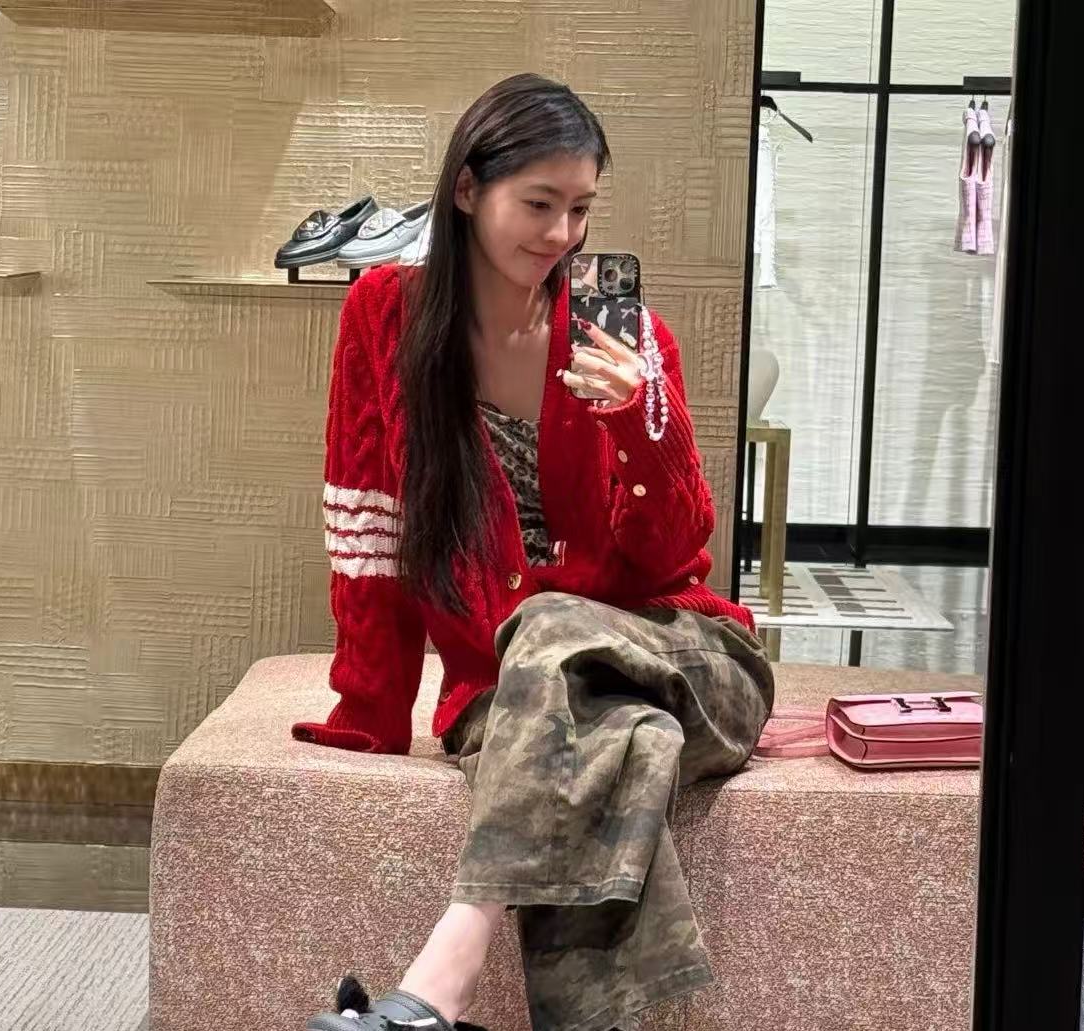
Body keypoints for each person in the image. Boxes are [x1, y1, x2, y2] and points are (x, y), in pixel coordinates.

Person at [295, 72, 775, 1031]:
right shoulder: (387, 316)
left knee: (552, 624)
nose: (561, 235)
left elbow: (676, 556)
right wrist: (372, 710)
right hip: (518, 686)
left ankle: (438, 979)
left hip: (687, 659)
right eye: (539, 204)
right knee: (624, 737)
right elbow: (369, 525)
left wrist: (639, 420)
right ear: (468, 189)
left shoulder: (628, 340)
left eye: (581, 210)